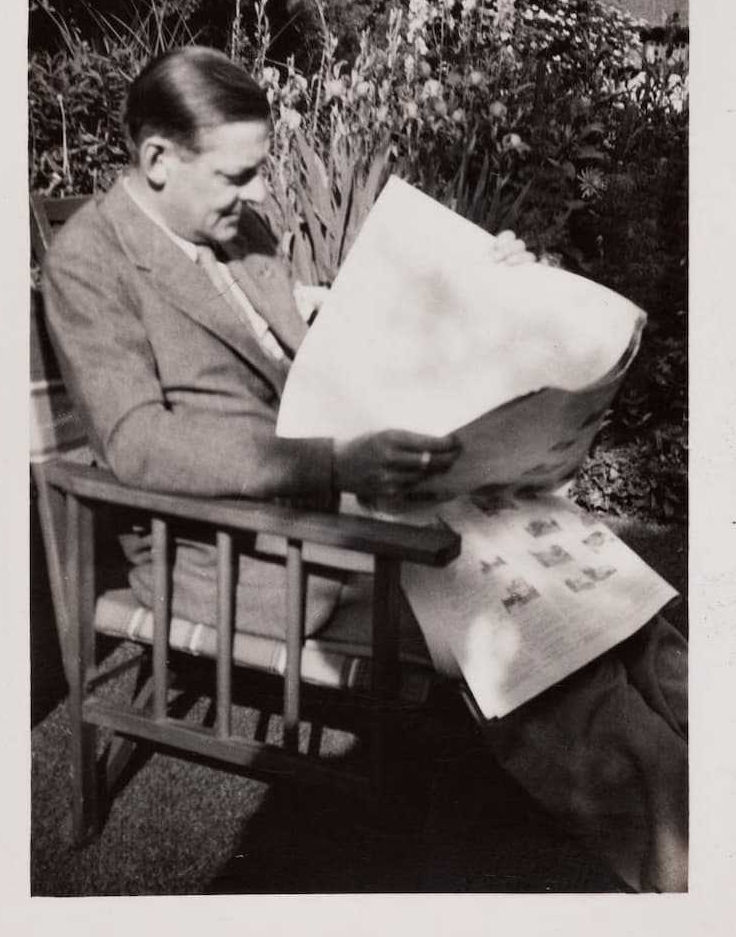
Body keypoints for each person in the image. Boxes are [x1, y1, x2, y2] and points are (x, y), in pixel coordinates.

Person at [43, 46, 687, 892]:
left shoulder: (237, 231)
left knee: (611, 597)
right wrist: (335, 461)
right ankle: (691, 864)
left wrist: (477, 282)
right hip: (241, 548)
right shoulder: (90, 263)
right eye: (237, 174)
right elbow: (138, 443)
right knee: (527, 641)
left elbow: (334, 330)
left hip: (343, 498)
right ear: (158, 159)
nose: (259, 196)